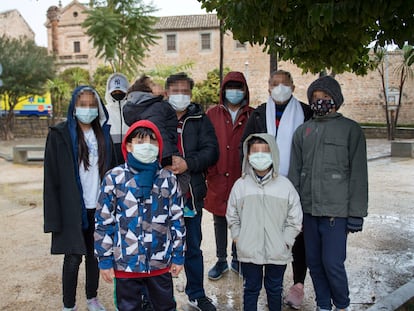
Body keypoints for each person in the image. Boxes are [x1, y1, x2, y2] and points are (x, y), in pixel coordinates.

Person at [288, 75, 368, 311]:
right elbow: (295, 174)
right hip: (309, 212)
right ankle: (323, 305)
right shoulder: (303, 132)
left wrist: (356, 213)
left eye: (325, 97)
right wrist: (294, 212)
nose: (320, 101)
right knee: (314, 263)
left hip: (336, 213)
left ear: (336, 100)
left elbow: (359, 176)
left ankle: (342, 304)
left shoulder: (351, 130)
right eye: (315, 97)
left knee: (332, 263)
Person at [94, 119, 186, 311]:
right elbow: (104, 221)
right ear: (128, 145)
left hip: (159, 262)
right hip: (126, 264)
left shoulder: (167, 180)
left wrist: (178, 255)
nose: (147, 147)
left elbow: (177, 220)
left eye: (153, 142)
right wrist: (104, 259)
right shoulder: (114, 178)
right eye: (140, 142)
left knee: (165, 306)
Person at [241, 70, 312, 309]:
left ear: (292, 85)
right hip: (263, 184)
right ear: (268, 86)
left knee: (296, 235)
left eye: (284, 83)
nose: (279, 87)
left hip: (297, 184)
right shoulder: (260, 113)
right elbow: (246, 143)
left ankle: (298, 284)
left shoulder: (306, 112)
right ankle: (268, 282)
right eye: (275, 83)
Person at [43, 86, 113, 311]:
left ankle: (92, 298)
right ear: (74, 106)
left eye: (92, 105)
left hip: (99, 207)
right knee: (73, 258)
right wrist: (53, 217)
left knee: (95, 256)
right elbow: (51, 178)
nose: (88, 109)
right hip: (73, 208)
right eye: (82, 104)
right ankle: (68, 305)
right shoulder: (59, 135)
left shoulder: (104, 134)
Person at [226, 133, 303, 311]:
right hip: (249, 250)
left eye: (265, 152)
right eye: (255, 152)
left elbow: (295, 217)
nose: (260, 156)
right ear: (248, 156)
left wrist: (286, 241)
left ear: (273, 155)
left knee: (275, 289)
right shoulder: (241, 185)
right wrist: (238, 236)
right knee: (251, 288)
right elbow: (232, 214)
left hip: (278, 251)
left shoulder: (285, 186)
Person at [165, 72, 219, 311]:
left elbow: (211, 151)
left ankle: (196, 293)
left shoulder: (200, 118)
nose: (180, 95)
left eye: (185, 91)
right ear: (166, 93)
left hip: (190, 197)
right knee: (159, 247)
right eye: (175, 90)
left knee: (193, 246)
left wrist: (188, 163)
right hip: (161, 196)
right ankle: (159, 295)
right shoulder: (158, 116)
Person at [205, 71, 253, 280]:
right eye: (230, 87)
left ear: (245, 91)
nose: (234, 92)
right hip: (217, 175)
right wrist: (210, 170)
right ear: (223, 90)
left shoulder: (252, 115)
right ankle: (221, 260)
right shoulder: (212, 114)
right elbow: (205, 142)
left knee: (240, 219)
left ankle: (237, 258)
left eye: (239, 87)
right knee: (219, 219)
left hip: (241, 175)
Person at [122, 74, 178, 167]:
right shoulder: (155, 107)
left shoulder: (141, 107)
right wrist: (168, 160)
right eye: (153, 84)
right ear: (147, 91)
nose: (158, 85)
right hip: (165, 158)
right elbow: (160, 133)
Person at [105, 72, 130, 165]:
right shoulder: (104, 111)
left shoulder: (132, 110)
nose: (118, 94)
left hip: (129, 157)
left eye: (121, 92)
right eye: (114, 92)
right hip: (110, 159)